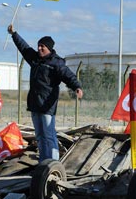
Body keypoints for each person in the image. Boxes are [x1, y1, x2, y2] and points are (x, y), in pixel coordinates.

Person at [7, 24, 83, 162]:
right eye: (39, 45)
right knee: (40, 135)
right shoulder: (35, 59)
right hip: (35, 103)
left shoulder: (56, 63)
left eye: (43, 46)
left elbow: (68, 75)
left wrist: (77, 87)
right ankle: (43, 162)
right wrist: (14, 34)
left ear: (49, 48)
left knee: (49, 135)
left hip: (47, 105)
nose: (39, 48)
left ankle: (53, 163)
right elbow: (23, 47)